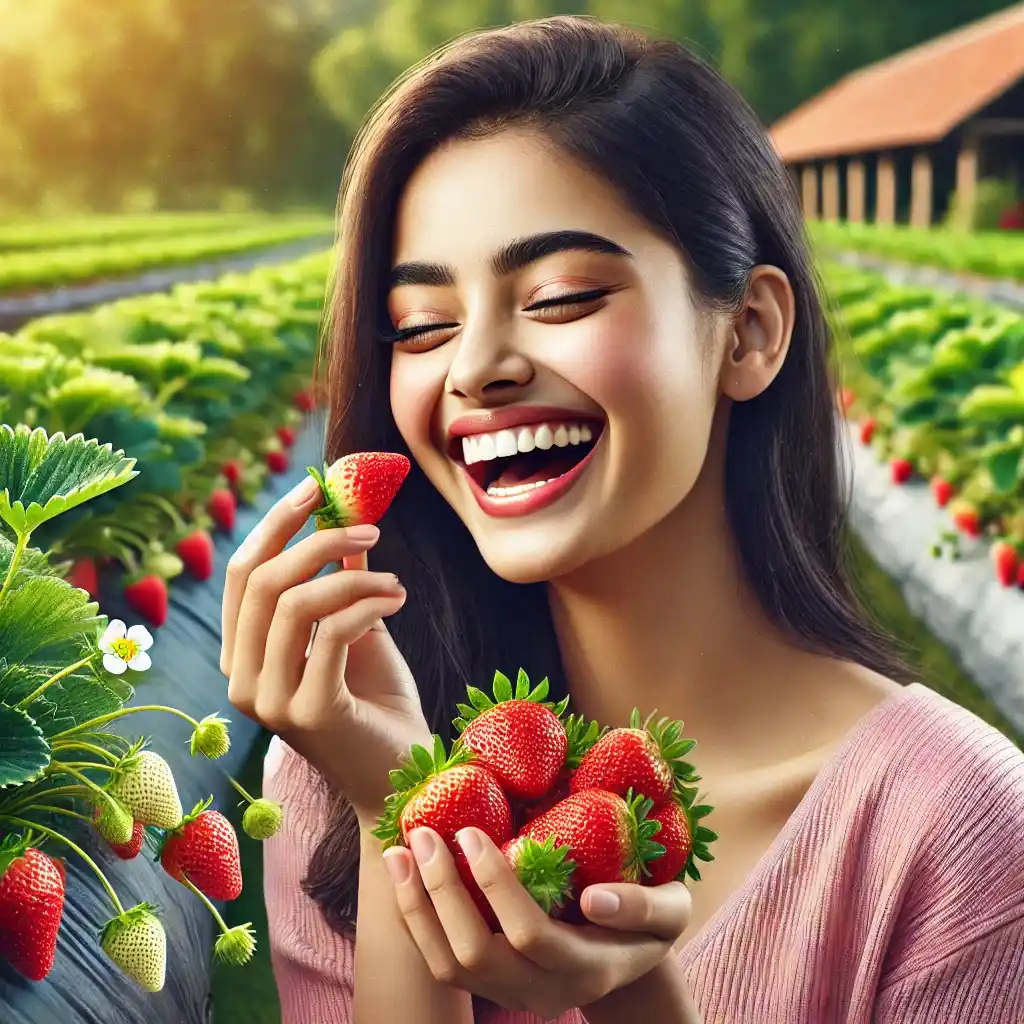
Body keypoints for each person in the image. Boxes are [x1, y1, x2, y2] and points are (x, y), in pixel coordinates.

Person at [220, 16, 1024, 1024]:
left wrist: (637, 999)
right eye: (423, 324)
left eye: (559, 296)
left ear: (751, 333)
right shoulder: (338, 764)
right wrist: (401, 815)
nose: (473, 368)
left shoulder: (961, 835)